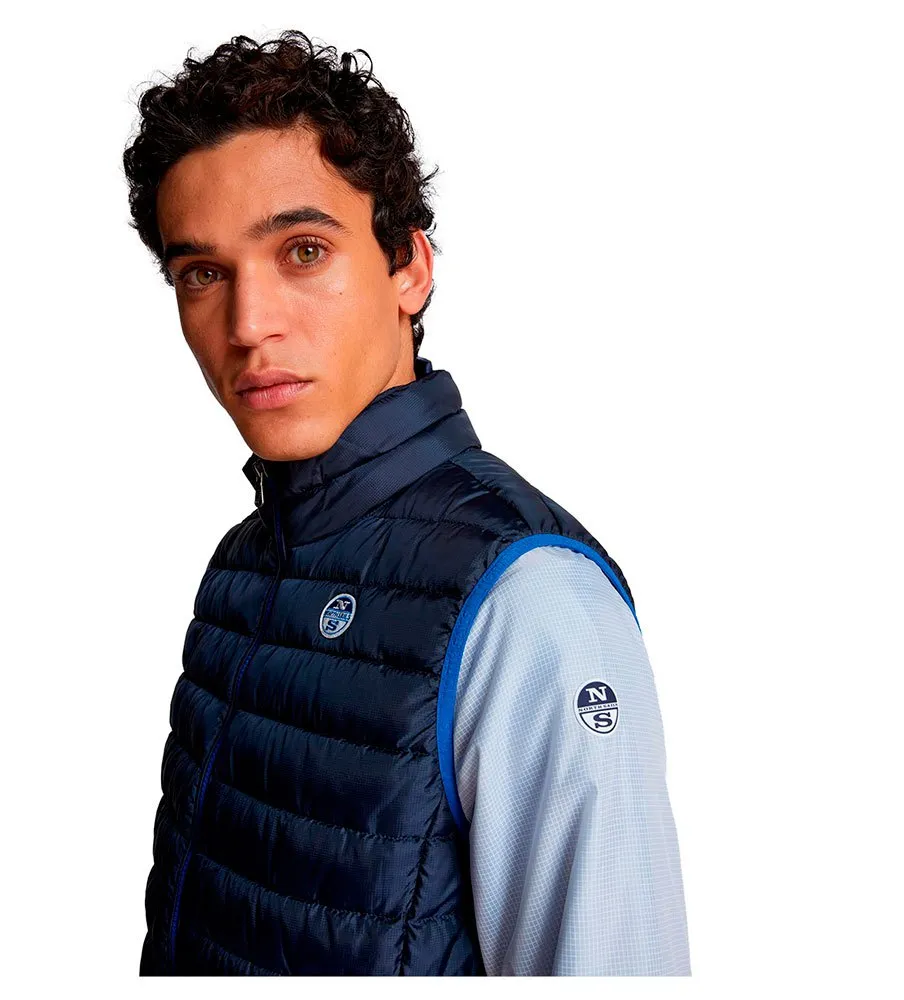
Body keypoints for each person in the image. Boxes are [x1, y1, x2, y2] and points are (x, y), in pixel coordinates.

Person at [123, 29, 690, 976]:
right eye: (203, 274)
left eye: (303, 251)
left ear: (409, 269)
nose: (249, 324)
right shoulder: (242, 566)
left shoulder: (534, 603)